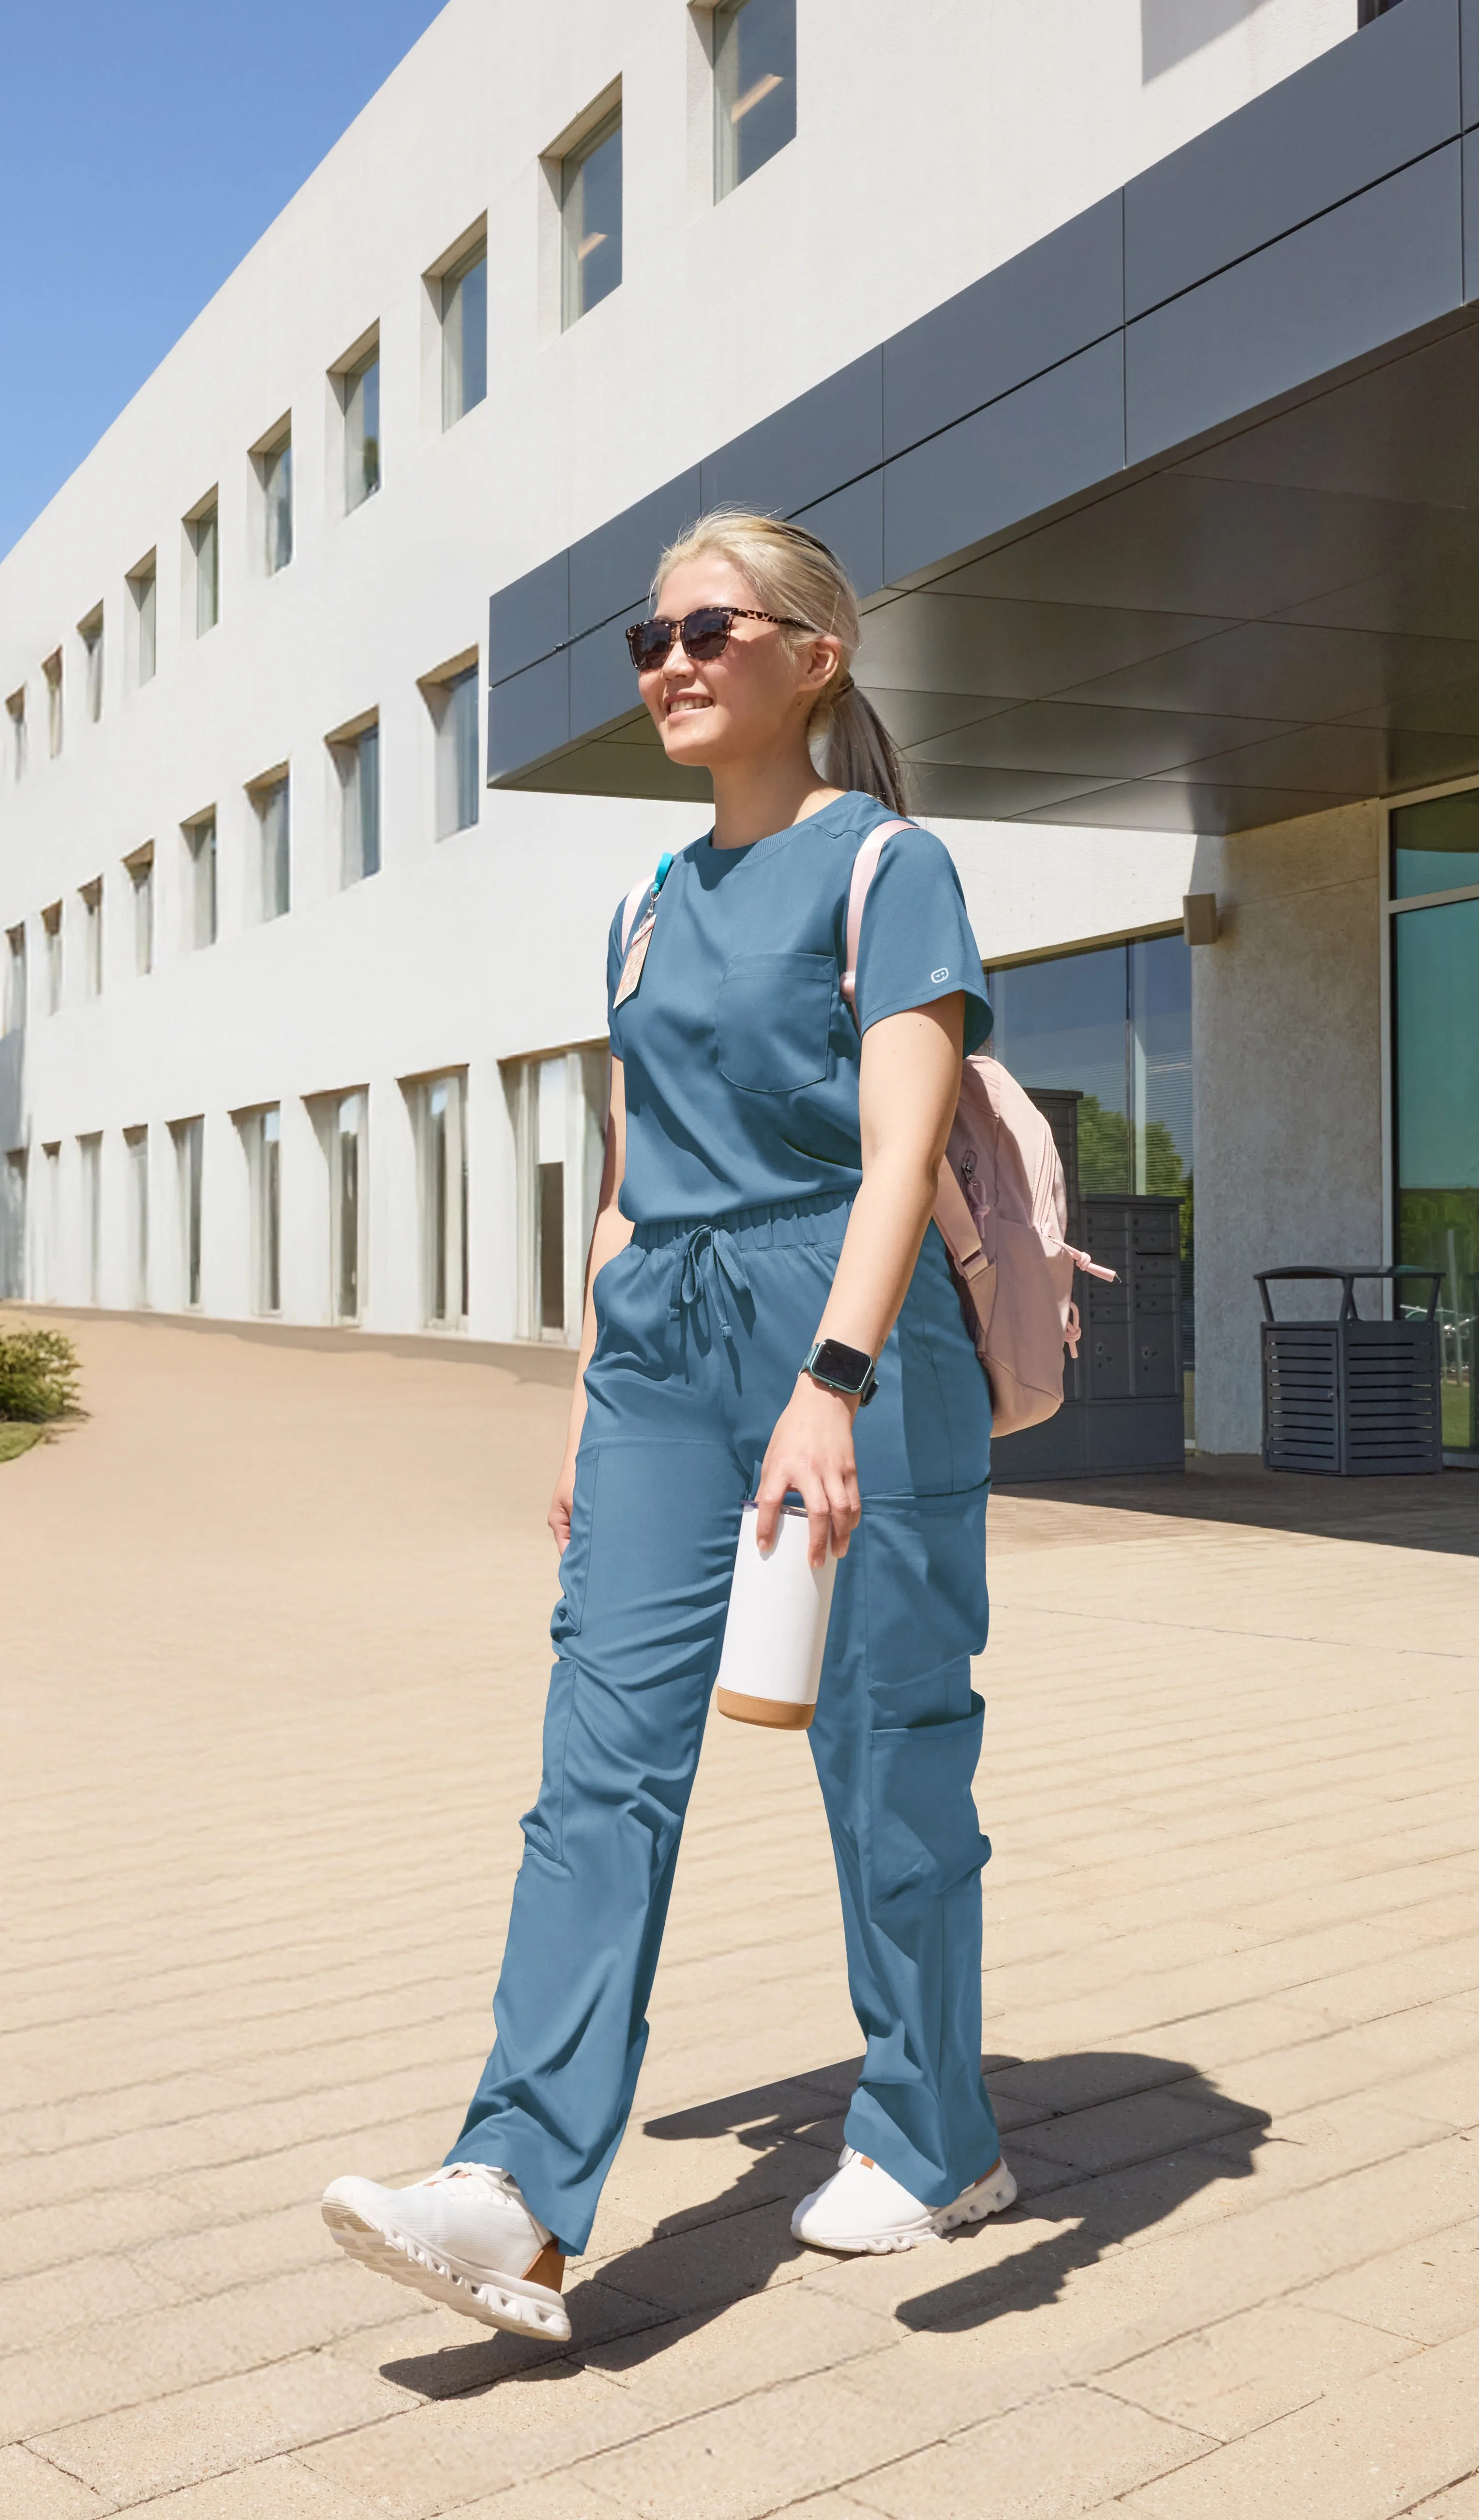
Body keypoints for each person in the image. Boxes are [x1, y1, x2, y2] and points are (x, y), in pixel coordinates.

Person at [323, 509, 1013, 2343]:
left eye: (713, 627)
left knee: (885, 1751)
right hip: (658, 1351)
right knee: (598, 1763)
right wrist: (585, 1405)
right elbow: (632, 1182)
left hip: (844, 1336)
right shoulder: (639, 902)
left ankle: (938, 2131)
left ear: (816, 654)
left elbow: (901, 1155)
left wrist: (834, 1383)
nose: (673, 662)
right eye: (650, 638)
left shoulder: (891, 869)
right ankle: (515, 2196)